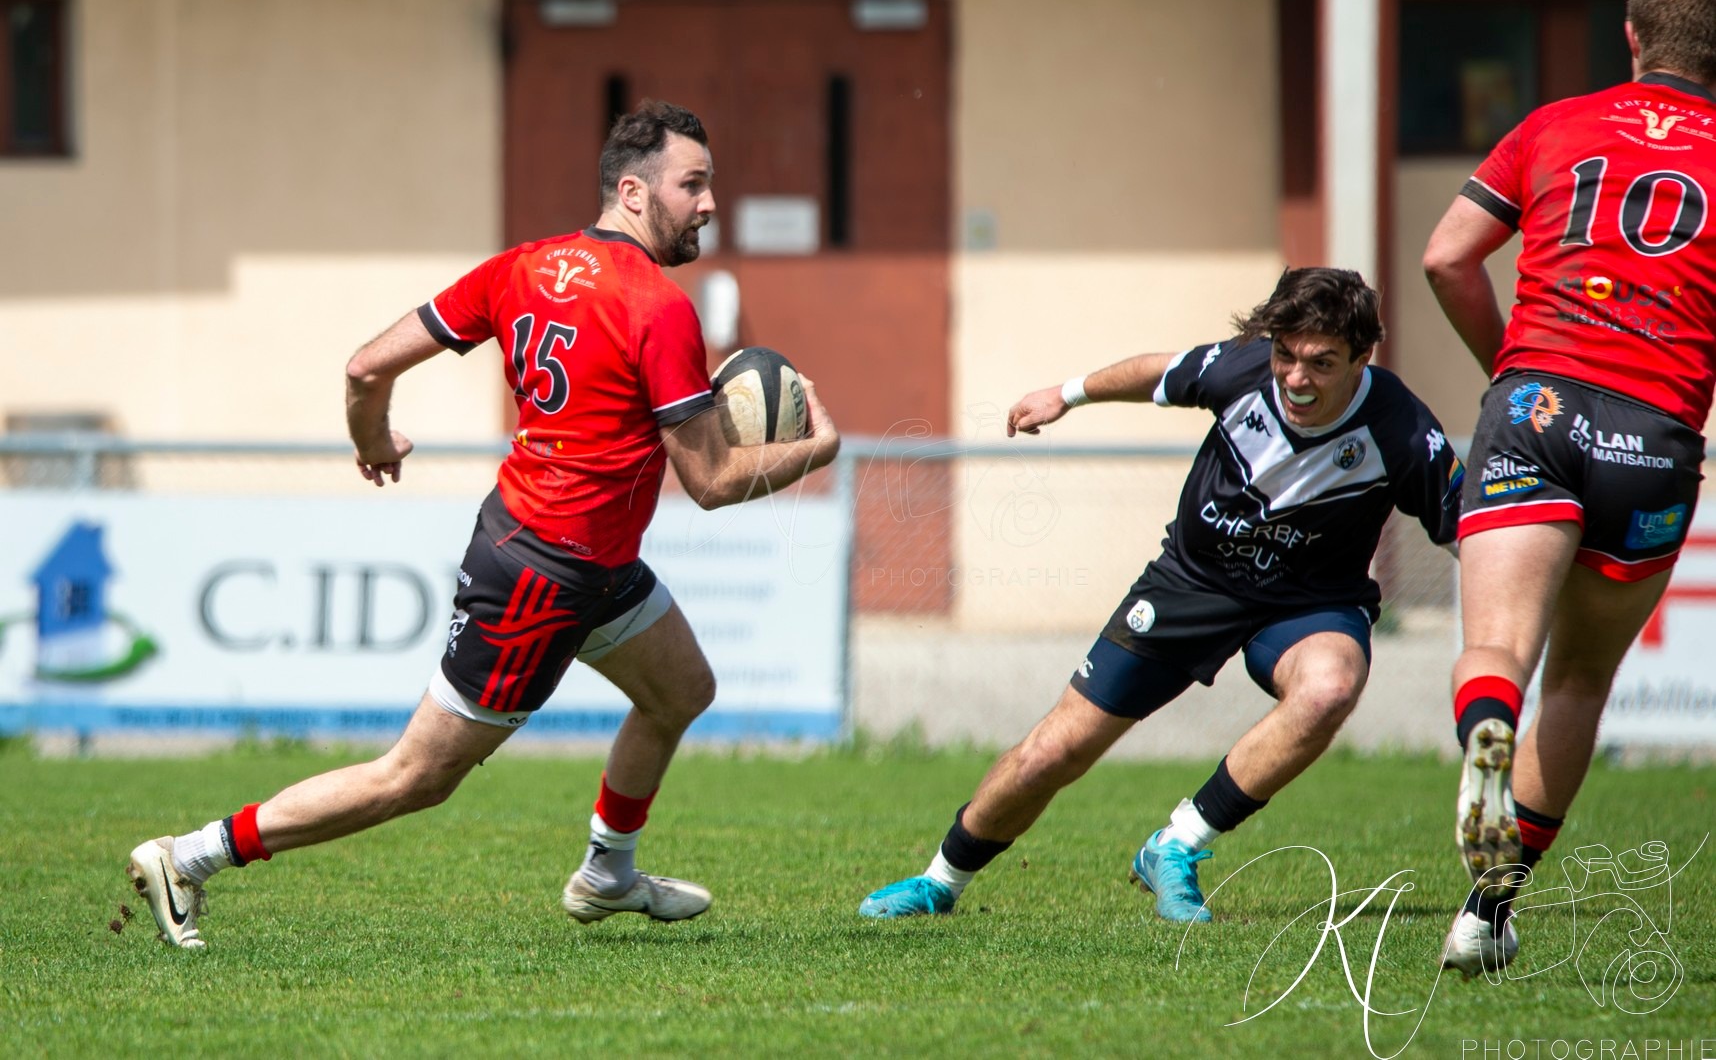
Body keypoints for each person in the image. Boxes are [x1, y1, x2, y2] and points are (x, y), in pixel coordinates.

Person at [126, 101, 840, 948]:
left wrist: (371, 439)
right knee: (414, 777)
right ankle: (190, 856)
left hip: (587, 560)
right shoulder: (657, 307)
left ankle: (607, 874)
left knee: (682, 689)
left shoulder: (520, 268)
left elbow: (365, 367)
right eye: (694, 185)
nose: (710, 203)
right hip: (544, 574)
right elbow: (713, 482)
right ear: (633, 192)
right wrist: (819, 449)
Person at [858, 267, 1463, 923]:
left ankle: (1176, 844)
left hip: (1309, 603)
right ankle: (939, 882)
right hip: (1191, 583)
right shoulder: (1241, 370)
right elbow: (1159, 373)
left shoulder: (1401, 429)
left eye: (1321, 363)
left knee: (1329, 688)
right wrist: (1066, 395)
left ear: (1362, 357)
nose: (1295, 377)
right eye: (1285, 355)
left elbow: (1472, 530)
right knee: (1053, 751)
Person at [1422, 0, 1716, 978]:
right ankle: (1485, 914)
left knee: (1499, 647)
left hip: (1536, 405)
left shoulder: (1556, 124)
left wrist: (1508, 368)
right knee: (1584, 677)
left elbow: (1447, 255)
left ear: (1632, 35)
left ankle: (1485, 730)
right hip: (1654, 432)